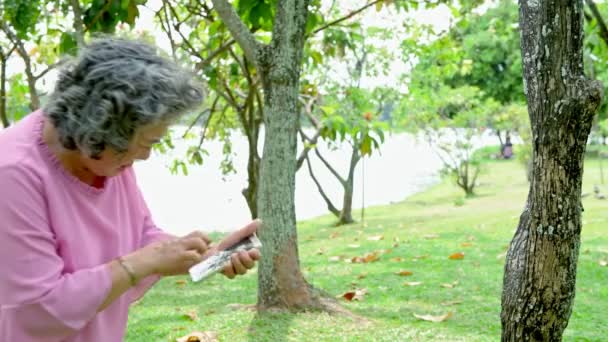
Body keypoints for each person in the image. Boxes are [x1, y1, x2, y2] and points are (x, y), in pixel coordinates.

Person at [0, 37, 261, 341]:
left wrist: (204, 255)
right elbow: (39, 309)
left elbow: (141, 234)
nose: (145, 156)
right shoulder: (13, 173)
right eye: (146, 143)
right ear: (101, 129)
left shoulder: (107, 157)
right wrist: (146, 261)